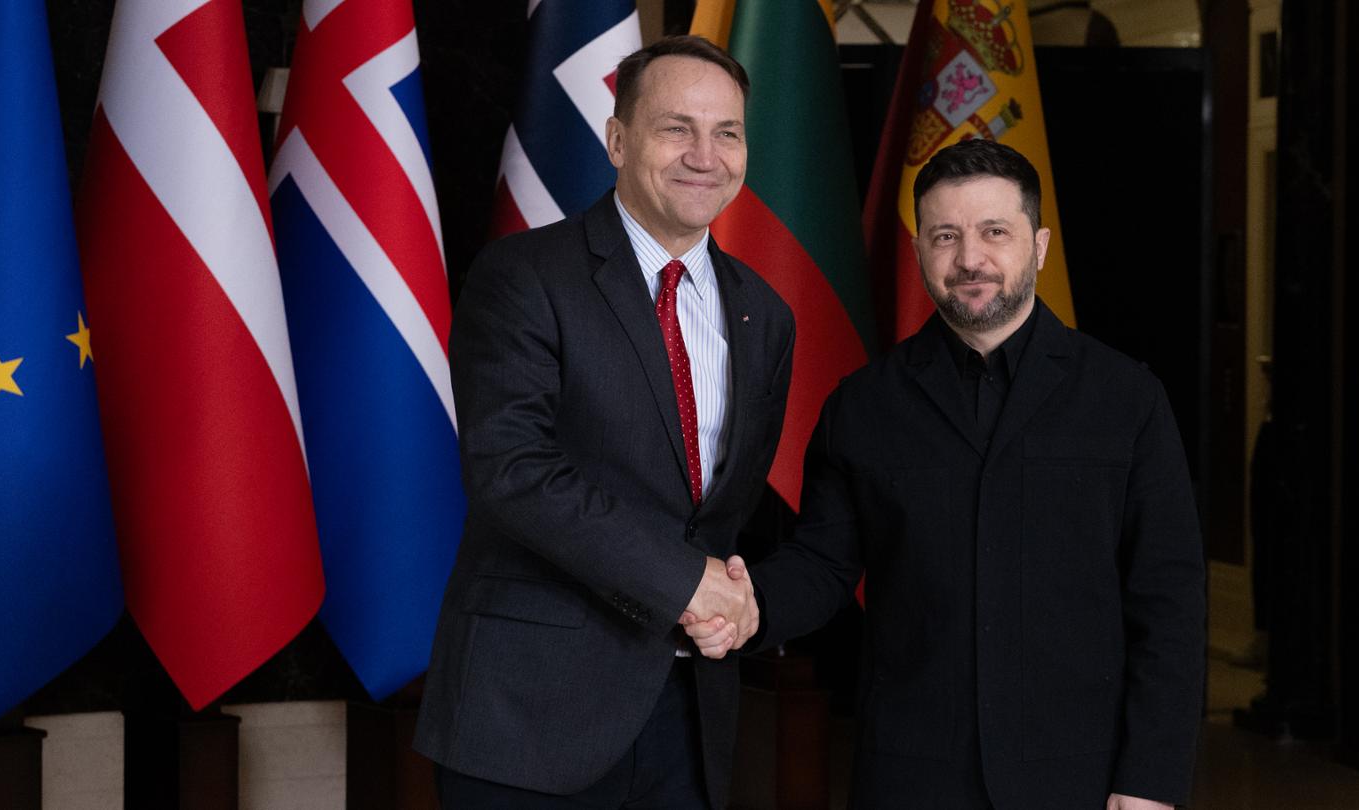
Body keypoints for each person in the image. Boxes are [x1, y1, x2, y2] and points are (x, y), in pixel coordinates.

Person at [692, 139, 1204, 808]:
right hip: (911, 774)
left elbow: (1168, 604)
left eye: (995, 232)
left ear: (1040, 245)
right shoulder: (864, 404)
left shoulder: (1127, 400)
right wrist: (744, 606)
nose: (970, 259)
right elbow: (822, 564)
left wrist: (1149, 783)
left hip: (1080, 776)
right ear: (919, 250)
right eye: (945, 235)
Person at [415, 35, 794, 809]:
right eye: (675, 127)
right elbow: (511, 472)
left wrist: (746, 599)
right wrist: (685, 580)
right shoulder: (523, 277)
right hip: (528, 717)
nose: (704, 154)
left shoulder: (767, 315)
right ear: (618, 139)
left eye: (727, 132)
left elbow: (726, 513)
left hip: (688, 719)